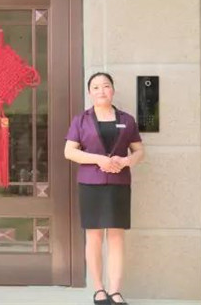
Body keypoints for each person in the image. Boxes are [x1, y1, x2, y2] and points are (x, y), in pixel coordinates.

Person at [64, 72, 144, 305]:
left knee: (117, 237)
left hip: (119, 183)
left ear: (113, 90)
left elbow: (139, 151)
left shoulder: (127, 120)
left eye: (106, 86)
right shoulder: (81, 120)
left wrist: (126, 161)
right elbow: (69, 151)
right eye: (96, 87)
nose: (101, 91)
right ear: (90, 93)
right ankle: (99, 289)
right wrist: (98, 159)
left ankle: (115, 291)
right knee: (94, 237)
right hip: (91, 184)